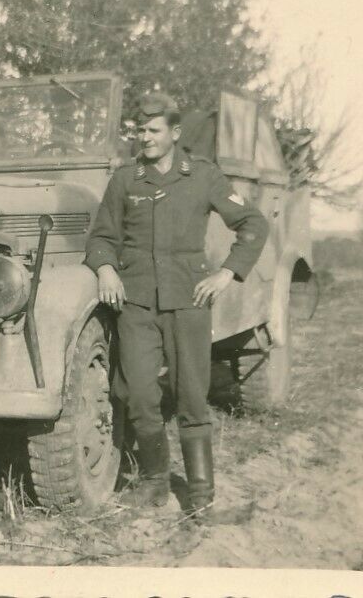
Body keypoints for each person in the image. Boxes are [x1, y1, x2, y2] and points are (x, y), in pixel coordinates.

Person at [84, 92, 269, 522]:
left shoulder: (203, 176)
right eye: (140, 131)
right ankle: (155, 483)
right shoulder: (125, 180)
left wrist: (227, 273)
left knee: (191, 396)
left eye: (154, 131)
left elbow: (253, 223)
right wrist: (106, 269)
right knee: (139, 394)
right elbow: (101, 237)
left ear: (175, 133)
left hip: (189, 301)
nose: (145, 138)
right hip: (136, 303)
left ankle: (201, 496)